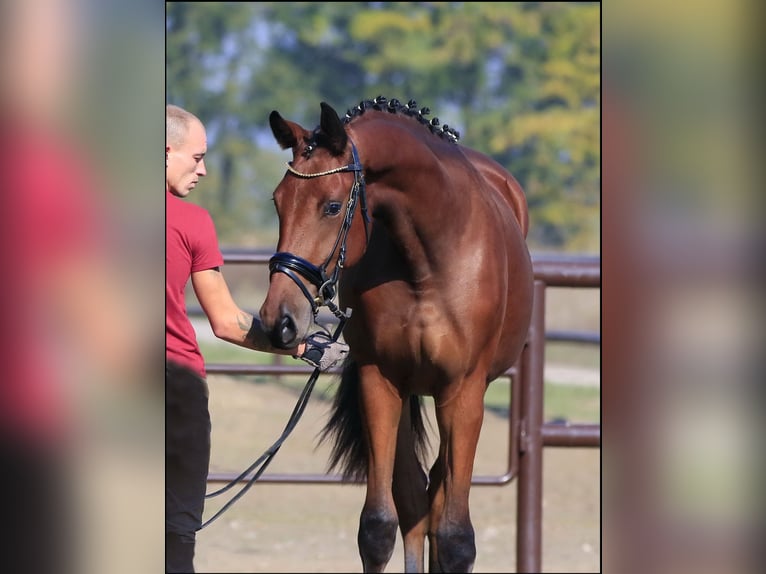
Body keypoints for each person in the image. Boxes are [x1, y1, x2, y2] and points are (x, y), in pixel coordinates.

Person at [165, 104, 348, 573]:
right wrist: (305, 347)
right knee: (175, 534)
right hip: (175, 389)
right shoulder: (192, 224)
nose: (203, 169)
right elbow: (226, 321)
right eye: (196, 157)